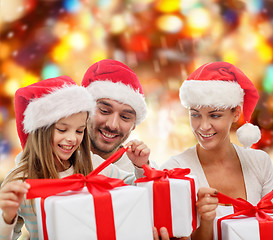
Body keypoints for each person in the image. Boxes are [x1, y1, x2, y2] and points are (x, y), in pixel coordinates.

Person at [0, 76, 150, 239]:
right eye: (62, 130)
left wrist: (140, 167)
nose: (72, 138)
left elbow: (137, 190)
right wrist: (7, 218)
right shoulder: (21, 181)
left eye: (79, 131)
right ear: (40, 132)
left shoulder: (92, 164)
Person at [157, 62, 273, 240]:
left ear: (236, 113)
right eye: (195, 114)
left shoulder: (259, 162)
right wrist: (205, 222)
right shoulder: (174, 171)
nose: (203, 126)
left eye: (215, 115)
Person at [81, 59, 157, 172]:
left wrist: (143, 169)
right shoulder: (59, 159)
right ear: (84, 111)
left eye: (125, 117)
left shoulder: (144, 171)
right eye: (104, 111)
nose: (112, 125)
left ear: (134, 125)